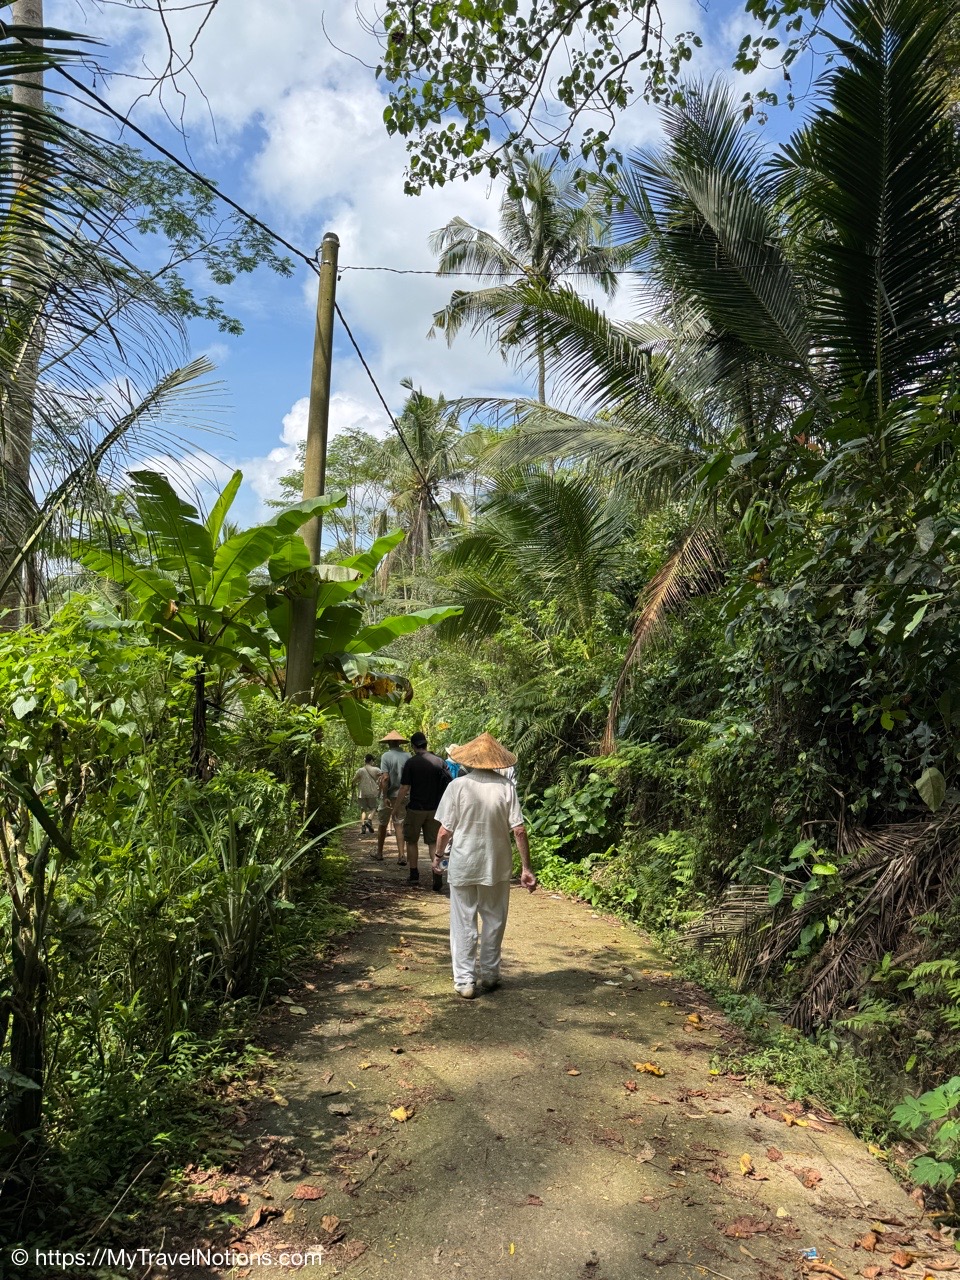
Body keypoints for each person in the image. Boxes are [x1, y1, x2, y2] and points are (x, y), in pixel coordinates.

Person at [432, 733, 536, 999]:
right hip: (496, 864)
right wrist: (526, 868)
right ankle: (490, 974)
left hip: (464, 863)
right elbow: (519, 830)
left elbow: (444, 831)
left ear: (469, 760)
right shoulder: (506, 787)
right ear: (496, 761)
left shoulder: (457, 786)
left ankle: (465, 981)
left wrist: (438, 856)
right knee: (494, 919)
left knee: (462, 921)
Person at [396, 731, 451, 887]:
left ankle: (414, 875)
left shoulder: (411, 763)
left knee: (411, 841)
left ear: (413, 746)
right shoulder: (439, 761)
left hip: (416, 808)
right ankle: (437, 874)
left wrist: (396, 807)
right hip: (435, 809)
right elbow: (449, 783)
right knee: (433, 842)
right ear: (426, 744)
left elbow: (404, 787)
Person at [377, 730, 410, 863]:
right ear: (399, 742)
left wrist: (385, 796)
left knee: (382, 823)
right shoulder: (408, 756)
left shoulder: (386, 756)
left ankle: (379, 853)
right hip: (404, 795)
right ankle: (401, 855)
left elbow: (385, 778)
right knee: (399, 823)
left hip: (390, 794)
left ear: (389, 743)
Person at [352, 754, 381, 837]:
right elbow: (382, 778)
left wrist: (357, 782)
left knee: (363, 809)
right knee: (373, 808)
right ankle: (369, 820)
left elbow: (353, 780)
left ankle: (363, 827)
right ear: (371, 761)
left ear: (365, 761)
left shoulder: (360, 770)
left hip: (362, 792)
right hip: (372, 792)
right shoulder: (376, 769)